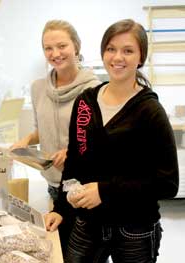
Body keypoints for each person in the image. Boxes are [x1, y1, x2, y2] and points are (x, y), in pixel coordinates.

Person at [44, 19, 179, 263]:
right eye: (111, 49)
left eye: (128, 50)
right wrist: (61, 209)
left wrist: (105, 191)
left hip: (134, 230)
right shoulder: (86, 101)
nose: (118, 57)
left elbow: (167, 182)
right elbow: (74, 161)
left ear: (141, 57)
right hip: (88, 222)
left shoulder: (150, 111)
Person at [11, 19, 100, 253]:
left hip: (83, 187)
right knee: (58, 252)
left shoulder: (93, 89)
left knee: (85, 255)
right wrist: (26, 141)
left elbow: (98, 140)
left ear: (76, 47)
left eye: (62, 46)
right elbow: (43, 129)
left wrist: (72, 153)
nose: (55, 53)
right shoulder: (38, 88)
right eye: (48, 48)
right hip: (52, 185)